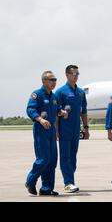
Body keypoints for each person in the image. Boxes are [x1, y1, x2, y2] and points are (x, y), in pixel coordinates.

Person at [55, 65, 89, 193]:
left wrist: (86, 128)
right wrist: (56, 130)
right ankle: (68, 183)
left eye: (77, 74)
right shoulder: (60, 92)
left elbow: (84, 111)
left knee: (73, 156)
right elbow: (55, 112)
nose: (76, 76)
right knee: (65, 156)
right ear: (67, 75)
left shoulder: (81, 92)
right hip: (64, 129)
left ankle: (70, 179)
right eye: (73, 73)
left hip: (76, 129)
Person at [25, 71, 60, 196]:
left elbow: (57, 112)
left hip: (51, 132)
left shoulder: (54, 97)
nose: (54, 82)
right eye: (51, 79)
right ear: (44, 81)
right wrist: (40, 119)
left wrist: (61, 112)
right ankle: (30, 181)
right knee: (43, 159)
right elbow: (30, 109)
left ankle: (46, 188)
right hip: (41, 131)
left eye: (55, 80)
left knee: (52, 160)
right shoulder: (37, 94)